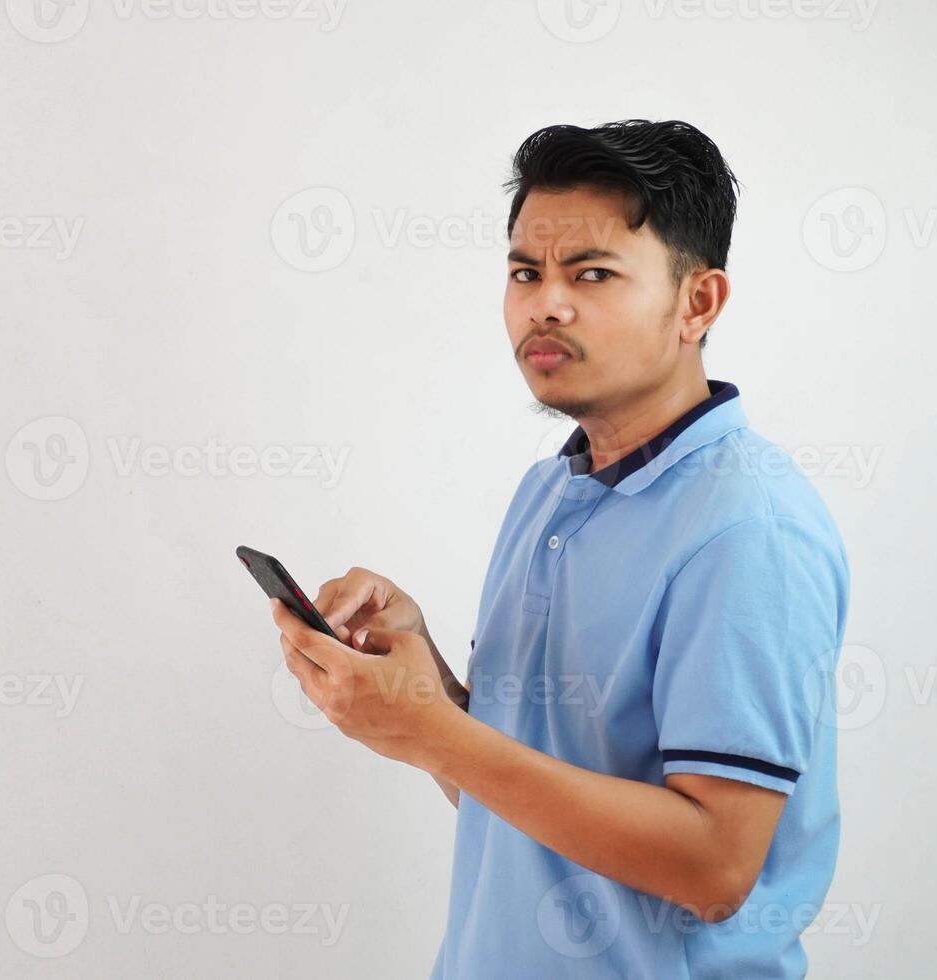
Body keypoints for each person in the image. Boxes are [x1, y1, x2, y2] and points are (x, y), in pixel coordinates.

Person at [270, 118, 851, 979]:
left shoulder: (745, 529)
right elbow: (507, 796)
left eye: (593, 273)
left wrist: (432, 730)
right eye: (524, 272)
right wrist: (423, 692)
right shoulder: (551, 490)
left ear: (699, 303)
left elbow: (715, 869)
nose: (546, 302)